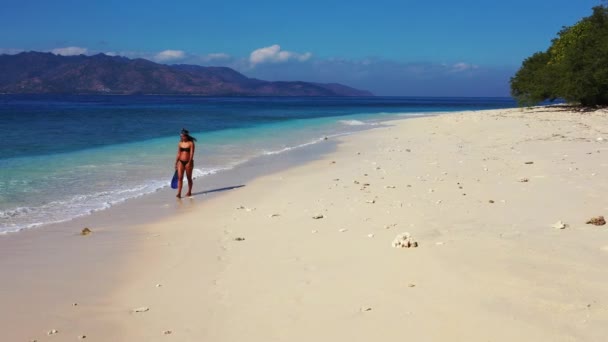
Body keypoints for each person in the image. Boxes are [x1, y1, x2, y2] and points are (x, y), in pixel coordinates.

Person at [175, 128, 196, 198]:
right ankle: (179, 193)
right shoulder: (180, 143)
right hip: (180, 162)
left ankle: (189, 192)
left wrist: (190, 162)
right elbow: (178, 153)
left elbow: (192, 153)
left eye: (183, 136)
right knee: (180, 178)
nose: (182, 137)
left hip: (188, 162)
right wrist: (176, 162)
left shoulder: (191, 143)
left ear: (186, 136)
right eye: (181, 136)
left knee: (189, 178)